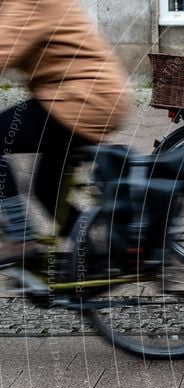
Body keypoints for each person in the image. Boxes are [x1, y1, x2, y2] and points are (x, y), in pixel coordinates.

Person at [0, 0, 131, 265]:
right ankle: (94, 259)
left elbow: (5, 50)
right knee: (47, 189)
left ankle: (19, 239)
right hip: (86, 99)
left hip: (81, 100)